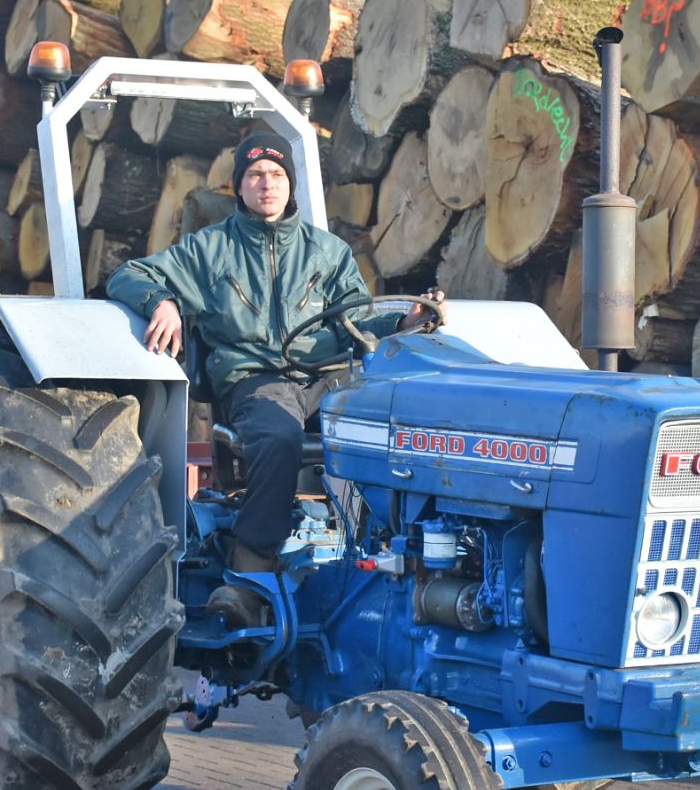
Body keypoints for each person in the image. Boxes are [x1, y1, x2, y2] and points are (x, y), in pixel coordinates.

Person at [106, 131, 445, 624]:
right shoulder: (211, 249)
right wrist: (162, 302)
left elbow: (357, 318)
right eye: (256, 175)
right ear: (239, 186)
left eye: (277, 174)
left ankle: (396, 556)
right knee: (280, 434)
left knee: (396, 423)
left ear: (291, 184)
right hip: (256, 379)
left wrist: (404, 320)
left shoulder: (326, 252)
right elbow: (129, 275)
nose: (267, 184)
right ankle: (250, 572)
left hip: (327, 377)